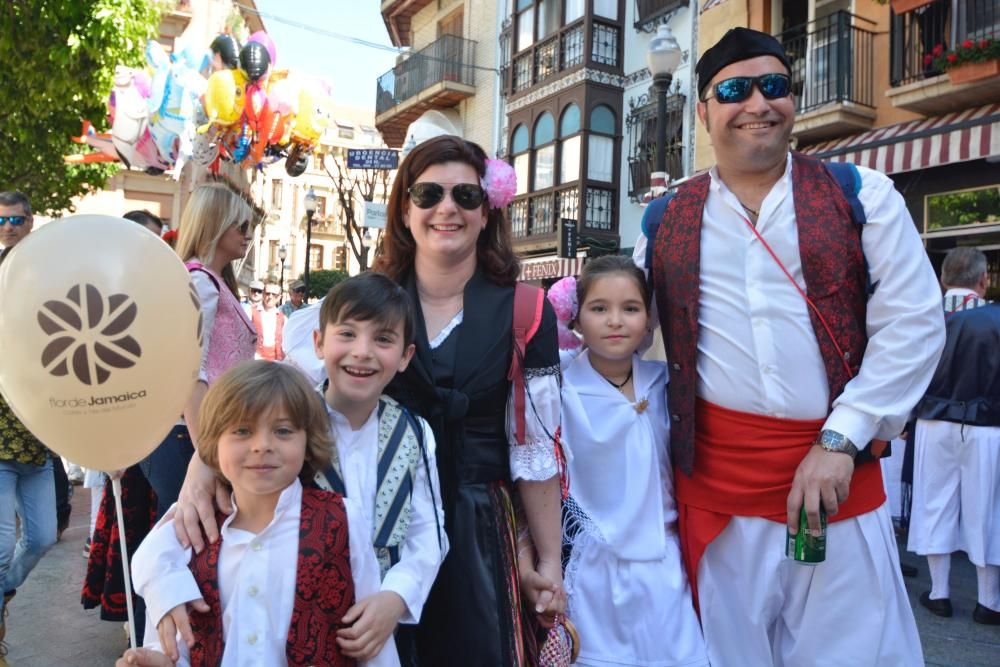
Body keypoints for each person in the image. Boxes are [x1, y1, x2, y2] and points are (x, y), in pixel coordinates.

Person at [637, 28, 945, 665]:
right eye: (734, 90)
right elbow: (631, 342)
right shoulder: (664, 219)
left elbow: (913, 322)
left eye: (774, 87)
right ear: (703, 110)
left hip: (838, 481)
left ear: (793, 101)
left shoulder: (862, 195)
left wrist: (843, 438)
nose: (758, 103)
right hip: (717, 490)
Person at [141, 273, 448, 663]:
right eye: (348, 334)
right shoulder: (283, 428)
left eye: (383, 339)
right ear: (319, 343)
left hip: (374, 628)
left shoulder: (415, 433)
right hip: (278, 617)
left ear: (405, 356)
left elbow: (428, 534)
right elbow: (170, 536)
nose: (363, 351)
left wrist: (396, 597)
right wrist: (202, 465)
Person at [372, 135, 565, 665]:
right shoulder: (366, 303)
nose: (447, 208)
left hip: (482, 530)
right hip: (381, 521)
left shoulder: (528, 311)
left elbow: (534, 448)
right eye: (429, 194)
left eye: (466, 196)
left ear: (488, 212)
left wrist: (549, 561)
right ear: (405, 210)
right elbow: (312, 411)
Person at [124, 361, 392, 666]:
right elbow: (173, 639)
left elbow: (372, 634)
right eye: (242, 430)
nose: (262, 445)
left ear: (307, 441)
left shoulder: (344, 519)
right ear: (213, 442)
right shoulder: (191, 524)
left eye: (283, 430)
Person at [551, 257, 708, 667]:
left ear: (649, 318)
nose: (615, 321)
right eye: (599, 308)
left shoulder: (667, 383)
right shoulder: (560, 389)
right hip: (594, 571)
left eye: (631, 308)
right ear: (576, 317)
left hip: (665, 565)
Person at [139, 182, 257, 520]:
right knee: (188, 535)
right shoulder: (200, 282)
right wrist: (207, 452)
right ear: (215, 224)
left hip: (193, 433)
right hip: (186, 436)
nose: (247, 235)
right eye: (241, 225)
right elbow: (191, 372)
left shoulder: (207, 279)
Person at [908, 247, 1000, 624]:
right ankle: (989, 601)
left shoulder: (920, 315)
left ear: (944, 278)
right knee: (988, 510)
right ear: (983, 280)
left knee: (935, 503)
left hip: (933, 420)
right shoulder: (995, 318)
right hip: (988, 425)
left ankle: (940, 592)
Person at [0, 191, 57, 657]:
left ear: (30, 222)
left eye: (17, 219)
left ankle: (1, 595)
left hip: (37, 439)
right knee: (0, 547)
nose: (8, 226)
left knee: (41, 539)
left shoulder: (49, 275)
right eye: (1, 220)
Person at [252, 282, 286, 361]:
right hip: (255, 360)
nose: (270, 297)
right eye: (268, 293)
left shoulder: (283, 318)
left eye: (274, 295)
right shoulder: (251, 312)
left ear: (279, 297)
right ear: (263, 294)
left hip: (276, 361)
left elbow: (285, 344)